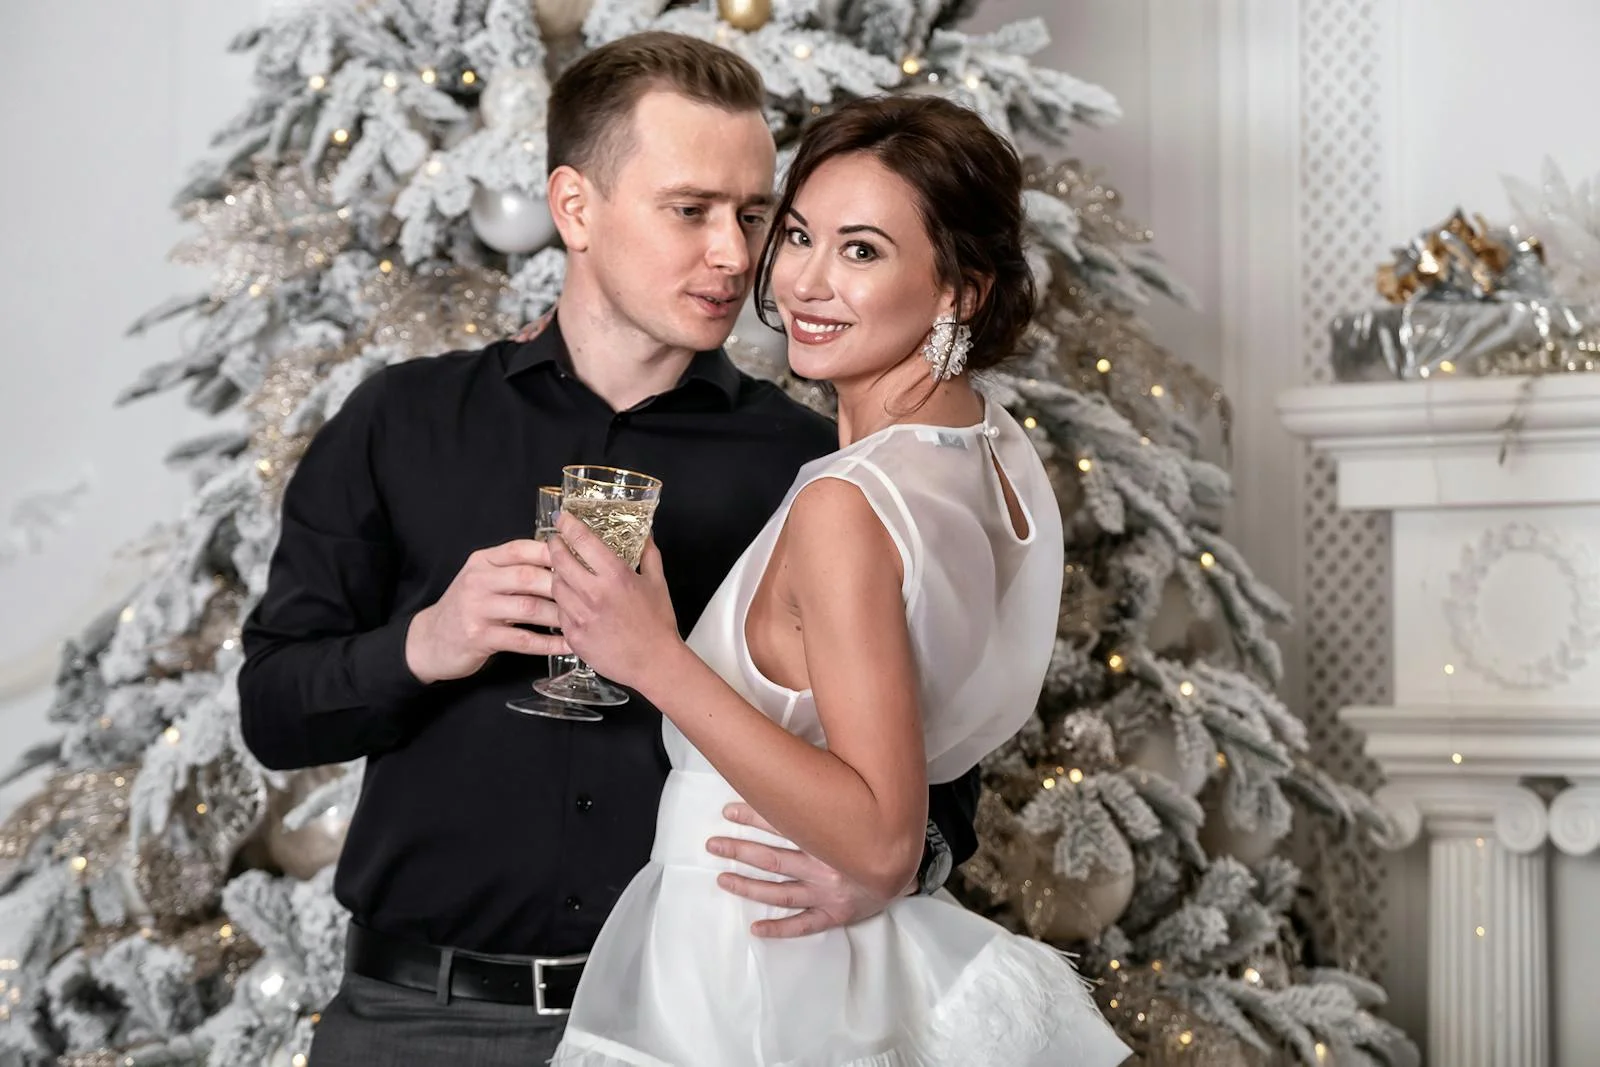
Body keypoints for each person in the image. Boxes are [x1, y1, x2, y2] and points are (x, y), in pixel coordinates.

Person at [236, 32, 981, 1067]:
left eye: (753, 214)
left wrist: (901, 863)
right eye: (691, 211)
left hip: (686, 1020)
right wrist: (427, 641)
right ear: (575, 208)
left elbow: (931, 757)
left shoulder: (812, 467)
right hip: (416, 1020)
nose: (735, 252)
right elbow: (271, 706)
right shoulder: (401, 421)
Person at [543, 94, 1134, 1065]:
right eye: (801, 236)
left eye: (861, 251)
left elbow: (878, 839)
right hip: (821, 952)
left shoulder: (848, 503)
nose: (806, 282)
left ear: (958, 290)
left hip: (758, 969)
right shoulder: (990, 452)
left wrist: (650, 656)